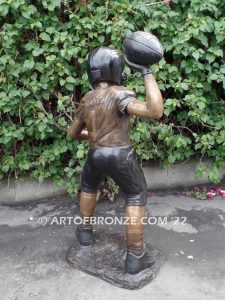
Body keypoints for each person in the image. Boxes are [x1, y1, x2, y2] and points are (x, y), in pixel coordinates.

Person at [68, 46, 163, 274]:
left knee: (89, 187)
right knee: (136, 194)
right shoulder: (119, 94)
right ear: (115, 69)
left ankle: (85, 233)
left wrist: (93, 135)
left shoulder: (87, 99)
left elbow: (72, 133)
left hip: (95, 154)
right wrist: (146, 71)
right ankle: (135, 254)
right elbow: (155, 110)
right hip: (119, 154)